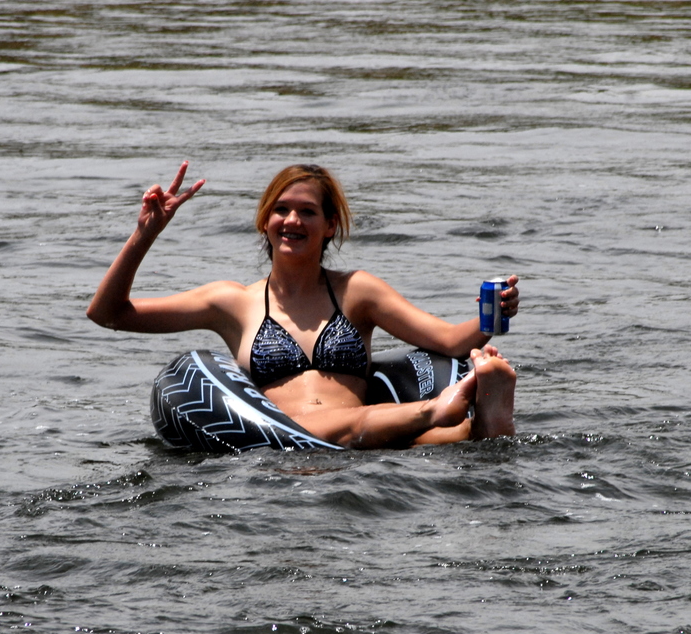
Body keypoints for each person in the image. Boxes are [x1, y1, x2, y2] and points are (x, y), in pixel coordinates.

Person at [87, 161, 519, 449]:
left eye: (307, 212)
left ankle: (486, 414)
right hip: (284, 440)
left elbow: (446, 339)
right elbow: (109, 314)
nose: (292, 221)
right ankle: (440, 411)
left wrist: (493, 314)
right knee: (414, 427)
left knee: (467, 438)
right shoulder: (231, 302)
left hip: (369, 432)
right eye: (281, 210)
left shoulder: (357, 291)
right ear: (264, 221)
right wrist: (145, 235)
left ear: (330, 225)